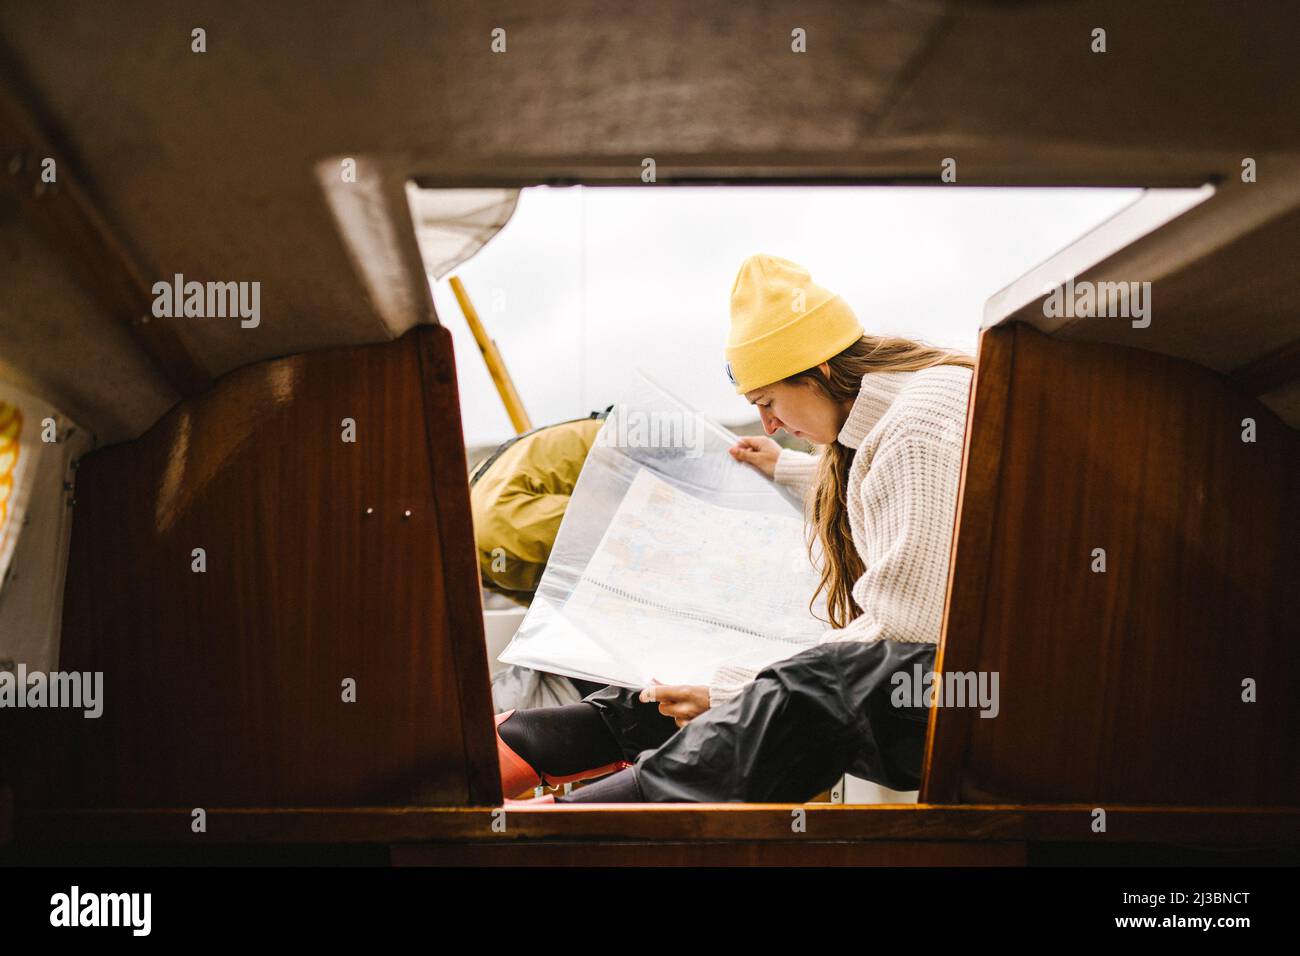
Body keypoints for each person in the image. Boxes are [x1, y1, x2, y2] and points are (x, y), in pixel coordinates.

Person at [494, 253, 974, 802]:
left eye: (768, 401)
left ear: (818, 371)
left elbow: (909, 626)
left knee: (798, 688)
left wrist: (729, 689)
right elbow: (884, 475)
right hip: (938, 686)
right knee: (701, 686)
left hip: (972, 702)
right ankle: (523, 750)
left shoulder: (917, 427)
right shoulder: (898, 416)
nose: (769, 423)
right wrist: (785, 465)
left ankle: (582, 821)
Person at [470, 408, 614, 706]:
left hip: (647, 454)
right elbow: (552, 604)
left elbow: (609, 533)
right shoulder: (484, 561)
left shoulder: (495, 528)